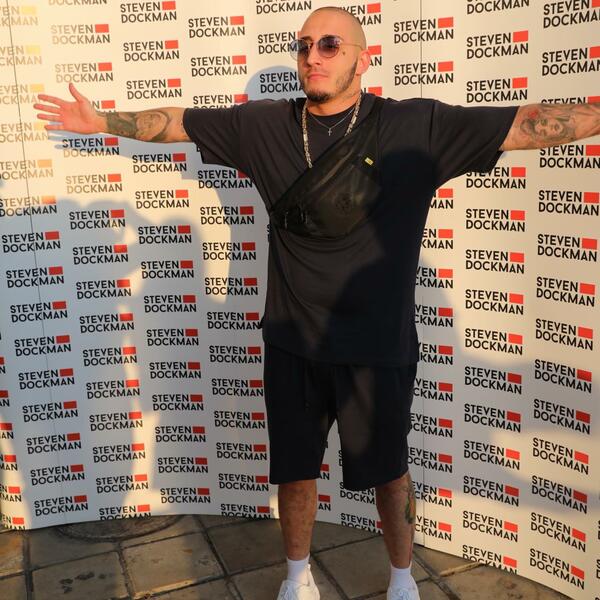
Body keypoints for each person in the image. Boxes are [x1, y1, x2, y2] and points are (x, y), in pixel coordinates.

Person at [34, 7, 600, 600]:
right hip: (292, 340)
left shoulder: (417, 125)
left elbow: (527, 124)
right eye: (303, 45)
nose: (313, 56)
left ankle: (402, 580)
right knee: (295, 471)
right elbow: (177, 123)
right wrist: (101, 120)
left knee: (390, 473)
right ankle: (297, 576)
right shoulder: (264, 126)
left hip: (377, 348)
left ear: (363, 57)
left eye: (330, 44)